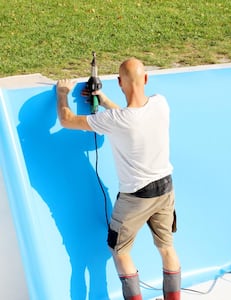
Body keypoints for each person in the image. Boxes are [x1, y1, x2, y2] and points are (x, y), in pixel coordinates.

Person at [56, 58, 181, 300]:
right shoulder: (160, 104)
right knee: (167, 248)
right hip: (166, 190)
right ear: (145, 79)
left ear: (119, 82)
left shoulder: (115, 121)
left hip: (136, 197)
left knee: (120, 251)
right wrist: (103, 100)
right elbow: (131, 118)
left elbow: (66, 120)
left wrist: (62, 94)